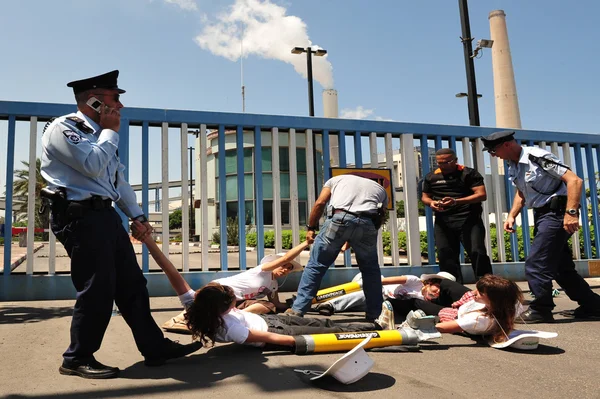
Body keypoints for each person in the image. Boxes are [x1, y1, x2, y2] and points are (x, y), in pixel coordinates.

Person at [40, 71, 201, 379]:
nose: (121, 106)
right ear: (95, 101)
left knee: (132, 284)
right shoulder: (64, 129)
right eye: (115, 99)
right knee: (97, 287)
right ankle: (76, 358)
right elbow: (92, 165)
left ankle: (154, 347)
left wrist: (137, 215)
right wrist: (112, 131)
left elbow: (117, 181)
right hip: (79, 216)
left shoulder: (101, 136)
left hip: (104, 215)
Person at [140, 234, 395, 349]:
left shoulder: (194, 302)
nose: (284, 271)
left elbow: (170, 270)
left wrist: (149, 240)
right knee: (328, 331)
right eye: (231, 298)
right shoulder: (234, 329)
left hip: (270, 320)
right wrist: (303, 343)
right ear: (230, 306)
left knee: (319, 321)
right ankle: (381, 333)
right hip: (272, 330)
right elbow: (274, 340)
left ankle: (374, 328)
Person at [481, 130, 600, 322]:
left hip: (557, 214)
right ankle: (593, 306)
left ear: (506, 145)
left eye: (493, 151)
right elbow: (522, 192)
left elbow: (574, 181)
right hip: (543, 214)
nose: (493, 155)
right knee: (560, 267)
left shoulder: (537, 157)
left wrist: (571, 213)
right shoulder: (513, 164)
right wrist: (512, 215)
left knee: (536, 262)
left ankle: (541, 309)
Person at [287, 174, 388, 322]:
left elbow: (320, 203)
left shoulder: (334, 180)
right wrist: (358, 238)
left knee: (316, 266)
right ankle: (375, 314)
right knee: (370, 271)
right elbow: (381, 216)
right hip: (368, 223)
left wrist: (311, 228)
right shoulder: (380, 189)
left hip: (339, 219)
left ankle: (298, 310)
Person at [162, 241, 310, 334]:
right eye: (283, 265)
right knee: (201, 303)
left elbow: (277, 304)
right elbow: (285, 257)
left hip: (234, 302)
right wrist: (306, 243)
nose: (285, 269)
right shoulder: (262, 269)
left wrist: (296, 304)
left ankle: (233, 318)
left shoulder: (273, 285)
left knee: (269, 305)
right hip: (220, 290)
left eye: (289, 269)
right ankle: (179, 320)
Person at [421, 148, 493, 283]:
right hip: (443, 221)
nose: (444, 165)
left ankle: (488, 287)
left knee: (477, 252)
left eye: (447, 162)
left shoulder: (469, 173)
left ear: (455, 160)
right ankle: (454, 288)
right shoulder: (431, 177)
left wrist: (456, 202)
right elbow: (425, 197)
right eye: (440, 163)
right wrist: (432, 203)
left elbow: (481, 195)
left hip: (469, 219)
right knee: (445, 254)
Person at [314, 272, 468, 320]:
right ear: (430, 282)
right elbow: (384, 281)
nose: (437, 292)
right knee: (368, 294)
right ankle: (330, 305)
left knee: (355, 305)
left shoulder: (425, 302)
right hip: (380, 291)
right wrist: (370, 283)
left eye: (441, 292)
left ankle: (326, 307)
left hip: (385, 306)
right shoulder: (415, 282)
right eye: (437, 287)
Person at [433, 275, 524, 344]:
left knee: (421, 303)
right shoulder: (513, 304)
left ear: (492, 300)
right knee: (445, 283)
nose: (475, 293)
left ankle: (431, 297)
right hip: (473, 306)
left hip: (458, 314)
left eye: (480, 293)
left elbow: (440, 327)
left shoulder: (477, 319)